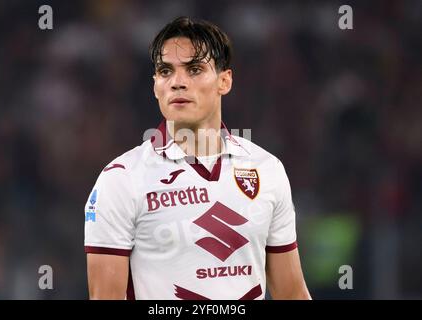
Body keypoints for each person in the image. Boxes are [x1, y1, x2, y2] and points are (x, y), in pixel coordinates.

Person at [84, 16, 311, 300]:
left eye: (194, 69)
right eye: (166, 71)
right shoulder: (121, 179)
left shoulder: (267, 169)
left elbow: (291, 294)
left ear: (224, 81)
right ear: (155, 85)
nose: (178, 82)